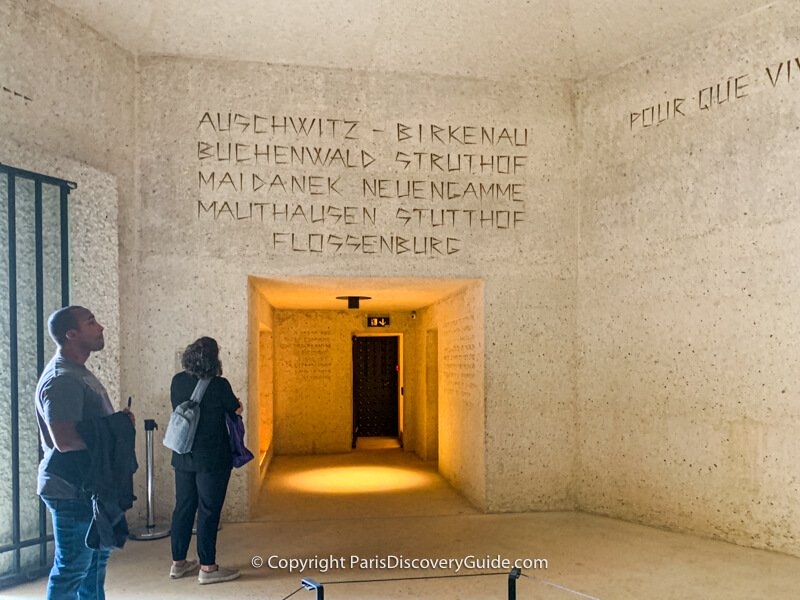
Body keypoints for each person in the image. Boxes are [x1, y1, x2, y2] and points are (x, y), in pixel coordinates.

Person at [35, 305, 134, 600]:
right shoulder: (62, 378)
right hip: (70, 489)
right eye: (91, 322)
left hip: (88, 486)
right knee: (73, 569)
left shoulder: (78, 372)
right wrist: (117, 427)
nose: (100, 327)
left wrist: (115, 425)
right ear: (71, 334)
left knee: (93, 567)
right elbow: (64, 439)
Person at [169, 336, 242, 584]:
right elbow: (235, 408)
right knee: (208, 511)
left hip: (183, 454)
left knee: (183, 507)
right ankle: (208, 568)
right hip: (212, 458)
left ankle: (178, 563)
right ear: (214, 358)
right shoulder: (220, 385)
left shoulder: (177, 381)